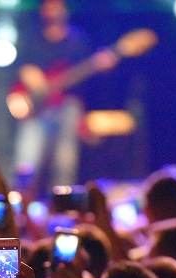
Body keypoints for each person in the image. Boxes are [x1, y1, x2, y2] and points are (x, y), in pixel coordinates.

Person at [12, 0, 117, 193]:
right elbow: (22, 69)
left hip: (68, 107)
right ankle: (20, 203)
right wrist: (34, 79)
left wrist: (101, 66)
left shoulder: (77, 40)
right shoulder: (32, 39)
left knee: (65, 162)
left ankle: (61, 204)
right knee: (27, 161)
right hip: (37, 108)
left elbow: (87, 79)